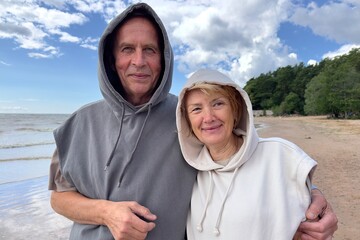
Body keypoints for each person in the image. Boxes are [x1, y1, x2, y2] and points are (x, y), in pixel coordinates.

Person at [48, 2, 337, 240]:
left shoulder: (189, 118)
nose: (139, 61)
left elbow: (241, 156)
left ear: (164, 59)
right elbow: (58, 198)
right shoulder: (77, 125)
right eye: (127, 49)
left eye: (150, 50)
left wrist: (309, 195)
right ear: (111, 59)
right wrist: (106, 213)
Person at [175, 68, 336, 239]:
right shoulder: (188, 169)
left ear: (236, 110)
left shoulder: (281, 155)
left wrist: (316, 197)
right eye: (196, 109)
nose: (208, 117)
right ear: (187, 121)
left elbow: (312, 224)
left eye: (218, 104)